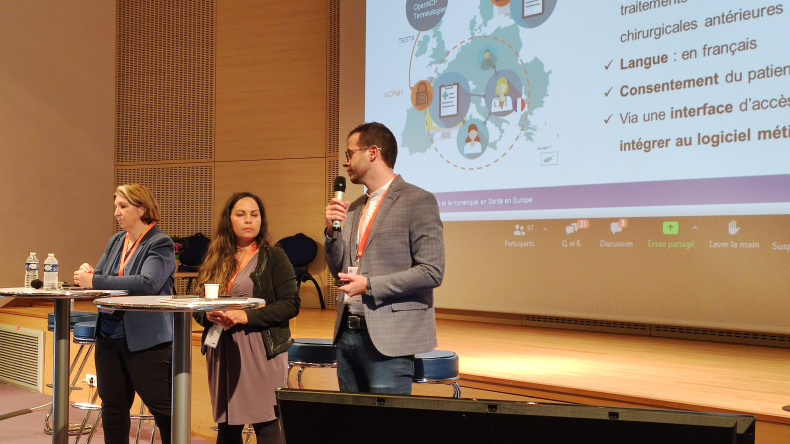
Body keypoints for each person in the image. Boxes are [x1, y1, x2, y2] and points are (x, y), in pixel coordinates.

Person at [324, 122, 445, 395]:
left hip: (390, 339)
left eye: (349, 153)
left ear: (372, 152)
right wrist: (331, 232)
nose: (345, 162)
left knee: (387, 421)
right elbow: (337, 271)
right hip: (347, 334)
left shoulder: (418, 201)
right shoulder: (353, 208)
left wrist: (369, 285)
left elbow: (432, 271)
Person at [193, 192, 300, 444]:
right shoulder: (215, 258)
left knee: (267, 426)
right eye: (241, 214)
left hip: (261, 349)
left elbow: (290, 304)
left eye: (254, 215)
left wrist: (244, 316)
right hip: (222, 348)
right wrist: (208, 314)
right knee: (228, 428)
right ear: (228, 220)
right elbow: (198, 305)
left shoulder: (274, 256)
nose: (249, 220)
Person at [73, 184, 174, 444]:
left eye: (123, 206)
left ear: (141, 209)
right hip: (108, 332)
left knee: (162, 409)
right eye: (116, 207)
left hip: (145, 337)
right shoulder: (117, 240)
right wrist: (90, 273)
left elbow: (148, 283)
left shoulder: (160, 242)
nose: (116, 212)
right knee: (113, 407)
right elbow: (102, 275)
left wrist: (95, 280)